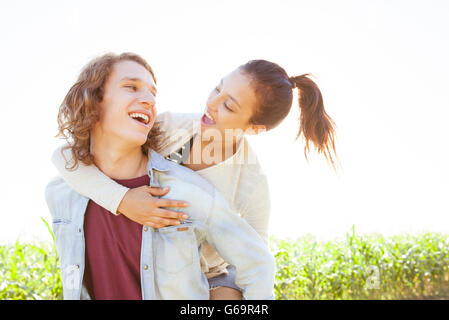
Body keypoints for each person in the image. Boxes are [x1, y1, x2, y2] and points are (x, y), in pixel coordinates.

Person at [52, 58, 337, 299]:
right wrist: (124, 201)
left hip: (209, 277)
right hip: (156, 254)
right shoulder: (169, 128)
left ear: (254, 128)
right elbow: (70, 158)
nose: (213, 103)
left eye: (229, 106)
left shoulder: (250, 181)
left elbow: (252, 258)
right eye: (218, 88)